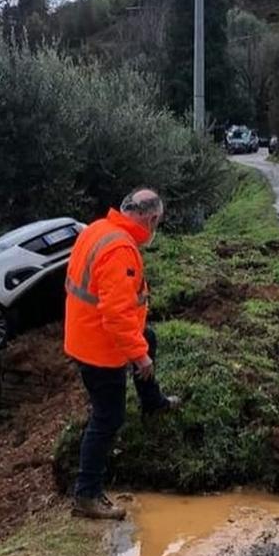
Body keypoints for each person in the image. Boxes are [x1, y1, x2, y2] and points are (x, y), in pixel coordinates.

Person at [62, 188, 178, 520]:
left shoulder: (99, 229)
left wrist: (142, 344)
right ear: (151, 218)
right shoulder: (121, 250)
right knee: (108, 417)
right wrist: (140, 358)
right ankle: (86, 495)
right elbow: (115, 316)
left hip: (85, 333)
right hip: (100, 347)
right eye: (157, 222)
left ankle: (152, 403)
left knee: (148, 336)